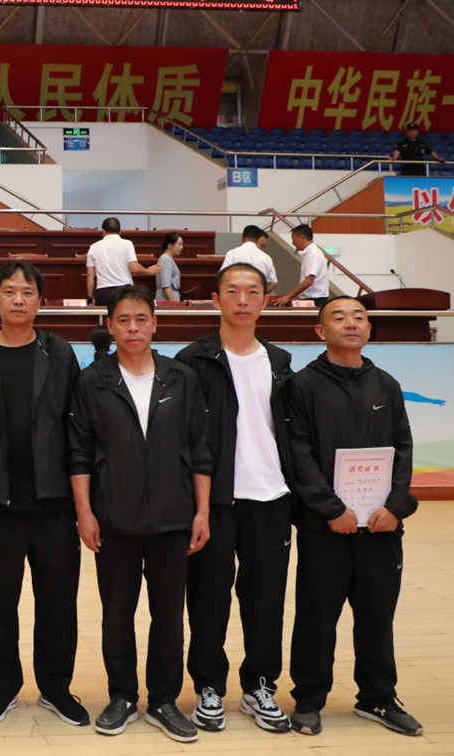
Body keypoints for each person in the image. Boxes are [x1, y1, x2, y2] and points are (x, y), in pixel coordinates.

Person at [67, 286, 212, 743]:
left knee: (168, 615)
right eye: (124, 320)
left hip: (173, 516)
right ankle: (122, 697)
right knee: (117, 614)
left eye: (141, 319)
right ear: (110, 326)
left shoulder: (181, 377)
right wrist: (85, 512)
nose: (133, 328)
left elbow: (200, 449)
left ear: (155, 324)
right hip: (114, 518)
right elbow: (79, 453)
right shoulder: (93, 380)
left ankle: (165, 700)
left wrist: (202, 512)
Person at [0, 261, 88, 729]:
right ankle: (4, 684)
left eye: (27, 292)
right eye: (9, 291)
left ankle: (56, 687)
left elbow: (77, 426)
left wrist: (82, 503)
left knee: (58, 602)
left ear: (40, 301)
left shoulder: (59, 352)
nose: (17, 299)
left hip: (54, 503)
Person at [285, 298, 422, 737]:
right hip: (325, 526)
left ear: (369, 328)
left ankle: (378, 698)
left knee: (378, 614)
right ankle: (308, 700)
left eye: (359, 317)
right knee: (317, 615)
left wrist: (394, 507)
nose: (351, 323)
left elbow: (403, 448)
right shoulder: (303, 385)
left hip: (381, 525)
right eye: (339, 317)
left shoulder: (386, 384)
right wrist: (330, 508)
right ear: (319, 331)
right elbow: (299, 453)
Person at [175, 263, 295, 735]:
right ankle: (208, 686)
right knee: (207, 598)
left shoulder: (280, 362)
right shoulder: (192, 360)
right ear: (216, 299)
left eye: (252, 292)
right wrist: (195, 504)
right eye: (232, 291)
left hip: (272, 497)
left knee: (266, 598)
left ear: (265, 300)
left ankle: (260, 686)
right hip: (215, 501)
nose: (242, 300)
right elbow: (185, 439)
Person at [85, 218, 161, 306]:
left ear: (103, 231)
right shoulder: (127, 244)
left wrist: (90, 297)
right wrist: (147, 271)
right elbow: (134, 268)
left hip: (104, 291)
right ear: (120, 231)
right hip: (125, 291)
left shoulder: (94, 247)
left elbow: (90, 274)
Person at [274, 224, 329, 307]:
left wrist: (288, 296)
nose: (293, 243)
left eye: (293, 240)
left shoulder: (313, 253)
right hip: (312, 298)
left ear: (302, 237)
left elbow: (309, 281)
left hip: (315, 299)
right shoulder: (310, 252)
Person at [222, 225, 278, 294]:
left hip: (236, 294)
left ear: (242, 238)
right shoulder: (266, 258)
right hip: (255, 294)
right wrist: (262, 294)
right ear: (258, 240)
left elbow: (223, 276)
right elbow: (274, 283)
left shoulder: (232, 253)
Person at [154, 232, 183, 301]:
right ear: (170, 245)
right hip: (166, 300)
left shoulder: (168, 259)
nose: (181, 247)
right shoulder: (165, 259)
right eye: (179, 244)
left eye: (182, 245)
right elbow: (166, 285)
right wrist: (173, 303)